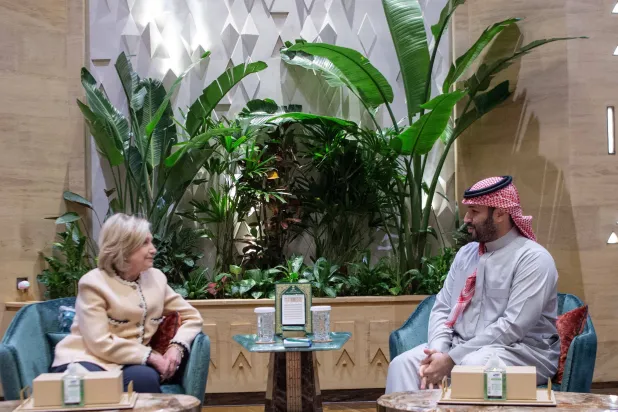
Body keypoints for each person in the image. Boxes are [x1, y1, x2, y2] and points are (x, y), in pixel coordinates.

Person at [385, 176, 560, 393]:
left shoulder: (533, 259)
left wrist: (451, 359)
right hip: (460, 347)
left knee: (470, 366)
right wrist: (438, 353)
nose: (467, 218)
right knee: (402, 365)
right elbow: (443, 308)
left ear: (500, 214)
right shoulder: (465, 255)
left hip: (521, 352)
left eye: (475, 211)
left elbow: (513, 327)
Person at [51, 214, 204, 393]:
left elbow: (192, 317)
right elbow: (99, 342)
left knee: (145, 380)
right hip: (87, 358)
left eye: (151, 242)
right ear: (123, 248)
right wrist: (150, 356)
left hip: (131, 362)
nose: (153, 250)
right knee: (92, 386)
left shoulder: (156, 279)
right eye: (145, 243)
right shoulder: (93, 283)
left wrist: (176, 347)